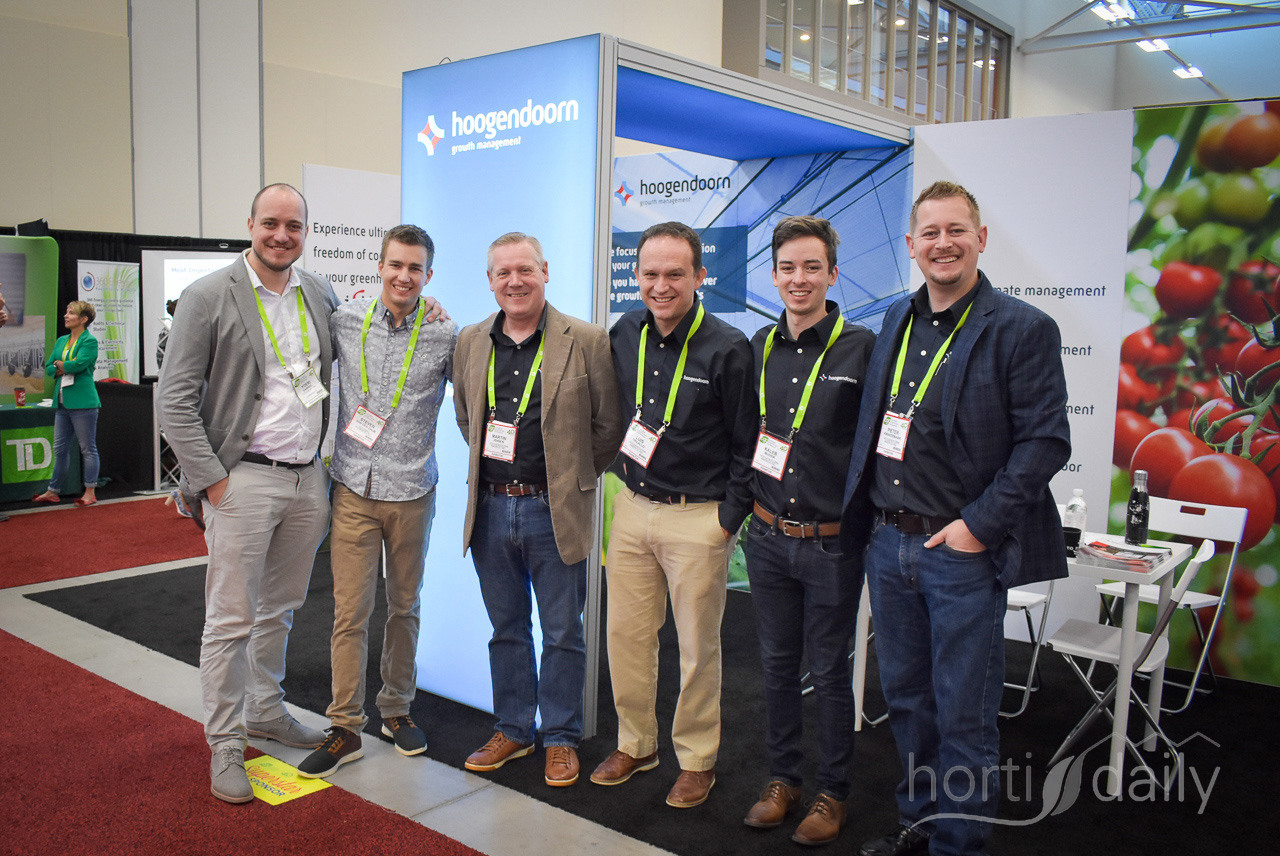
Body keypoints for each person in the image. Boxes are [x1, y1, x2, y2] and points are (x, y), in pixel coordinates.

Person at [840, 181, 1070, 856]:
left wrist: (978, 527)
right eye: (930, 233)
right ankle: (919, 822)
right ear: (912, 245)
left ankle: (959, 843)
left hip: (960, 551)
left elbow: (1045, 441)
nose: (943, 244)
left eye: (956, 230)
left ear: (981, 239)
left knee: (964, 713)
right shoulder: (896, 318)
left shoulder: (1022, 328)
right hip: (889, 542)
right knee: (908, 702)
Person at [157, 183, 338, 804]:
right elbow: (173, 400)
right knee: (231, 618)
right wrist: (212, 480)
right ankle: (226, 742)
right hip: (244, 477)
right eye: (271, 224)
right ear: (251, 225)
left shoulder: (319, 292)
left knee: (280, 607)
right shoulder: (209, 295)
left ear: (305, 232)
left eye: (294, 226)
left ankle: (264, 709)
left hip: (307, 479)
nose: (281, 235)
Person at [592, 221, 755, 809]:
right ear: (636, 276)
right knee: (626, 639)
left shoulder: (728, 347)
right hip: (633, 508)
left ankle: (696, 759)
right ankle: (636, 745)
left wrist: (727, 520)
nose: (661, 286)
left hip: (699, 517)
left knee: (696, 649)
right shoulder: (625, 331)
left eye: (675, 274)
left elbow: (748, 441)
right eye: (650, 274)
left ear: (699, 276)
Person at [454, 232, 622, 787]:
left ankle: (561, 736)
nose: (515, 281)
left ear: (545, 272)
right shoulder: (471, 340)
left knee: (563, 632)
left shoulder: (587, 340)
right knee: (506, 628)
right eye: (503, 273)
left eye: (525, 270)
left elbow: (608, 426)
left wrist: (573, 479)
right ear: (490, 281)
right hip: (491, 508)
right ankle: (514, 728)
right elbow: (466, 418)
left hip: (556, 510)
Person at [297, 225, 457, 777]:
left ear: (428, 276)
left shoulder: (444, 333)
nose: (404, 277)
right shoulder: (345, 319)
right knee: (350, 613)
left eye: (415, 269)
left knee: (405, 607)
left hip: (413, 492)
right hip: (353, 489)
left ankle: (396, 709)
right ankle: (345, 726)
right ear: (380, 266)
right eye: (396, 265)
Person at [742, 217, 874, 846]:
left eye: (812, 267)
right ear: (774, 276)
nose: (799, 279)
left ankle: (833, 792)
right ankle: (783, 779)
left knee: (828, 669)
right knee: (774, 665)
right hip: (768, 538)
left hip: (831, 543)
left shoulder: (863, 349)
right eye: (788, 268)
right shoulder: (757, 347)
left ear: (832, 274)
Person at [33, 301, 101, 507]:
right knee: (60, 449)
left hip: (83, 402)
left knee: (87, 448)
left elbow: (79, 365)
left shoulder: (89, 341)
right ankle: (53, 490)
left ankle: (90, 491)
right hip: (62, 403)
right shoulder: (62, 340)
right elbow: (49, 367)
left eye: (71, 313)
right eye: (66, 312)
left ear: (83, 319)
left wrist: (62, 365)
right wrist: (61, 366)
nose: (66, 315)